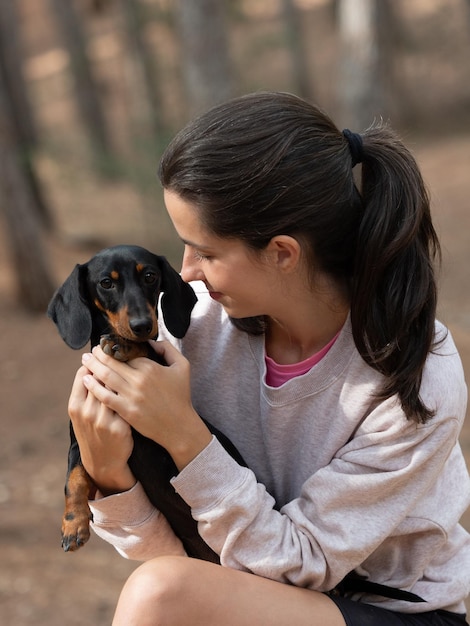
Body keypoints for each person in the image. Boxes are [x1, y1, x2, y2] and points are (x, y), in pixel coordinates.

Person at [67, 92, 470, 626]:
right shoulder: (198, 327)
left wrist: (187, 438)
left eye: (205, 251)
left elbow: (303, 565)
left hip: (395, 611)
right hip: (255, 592)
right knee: (161, 590)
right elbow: (186, 564)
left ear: (282, 253)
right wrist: (109, 474)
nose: (185, 272)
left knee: (159, 594)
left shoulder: (414, 373)